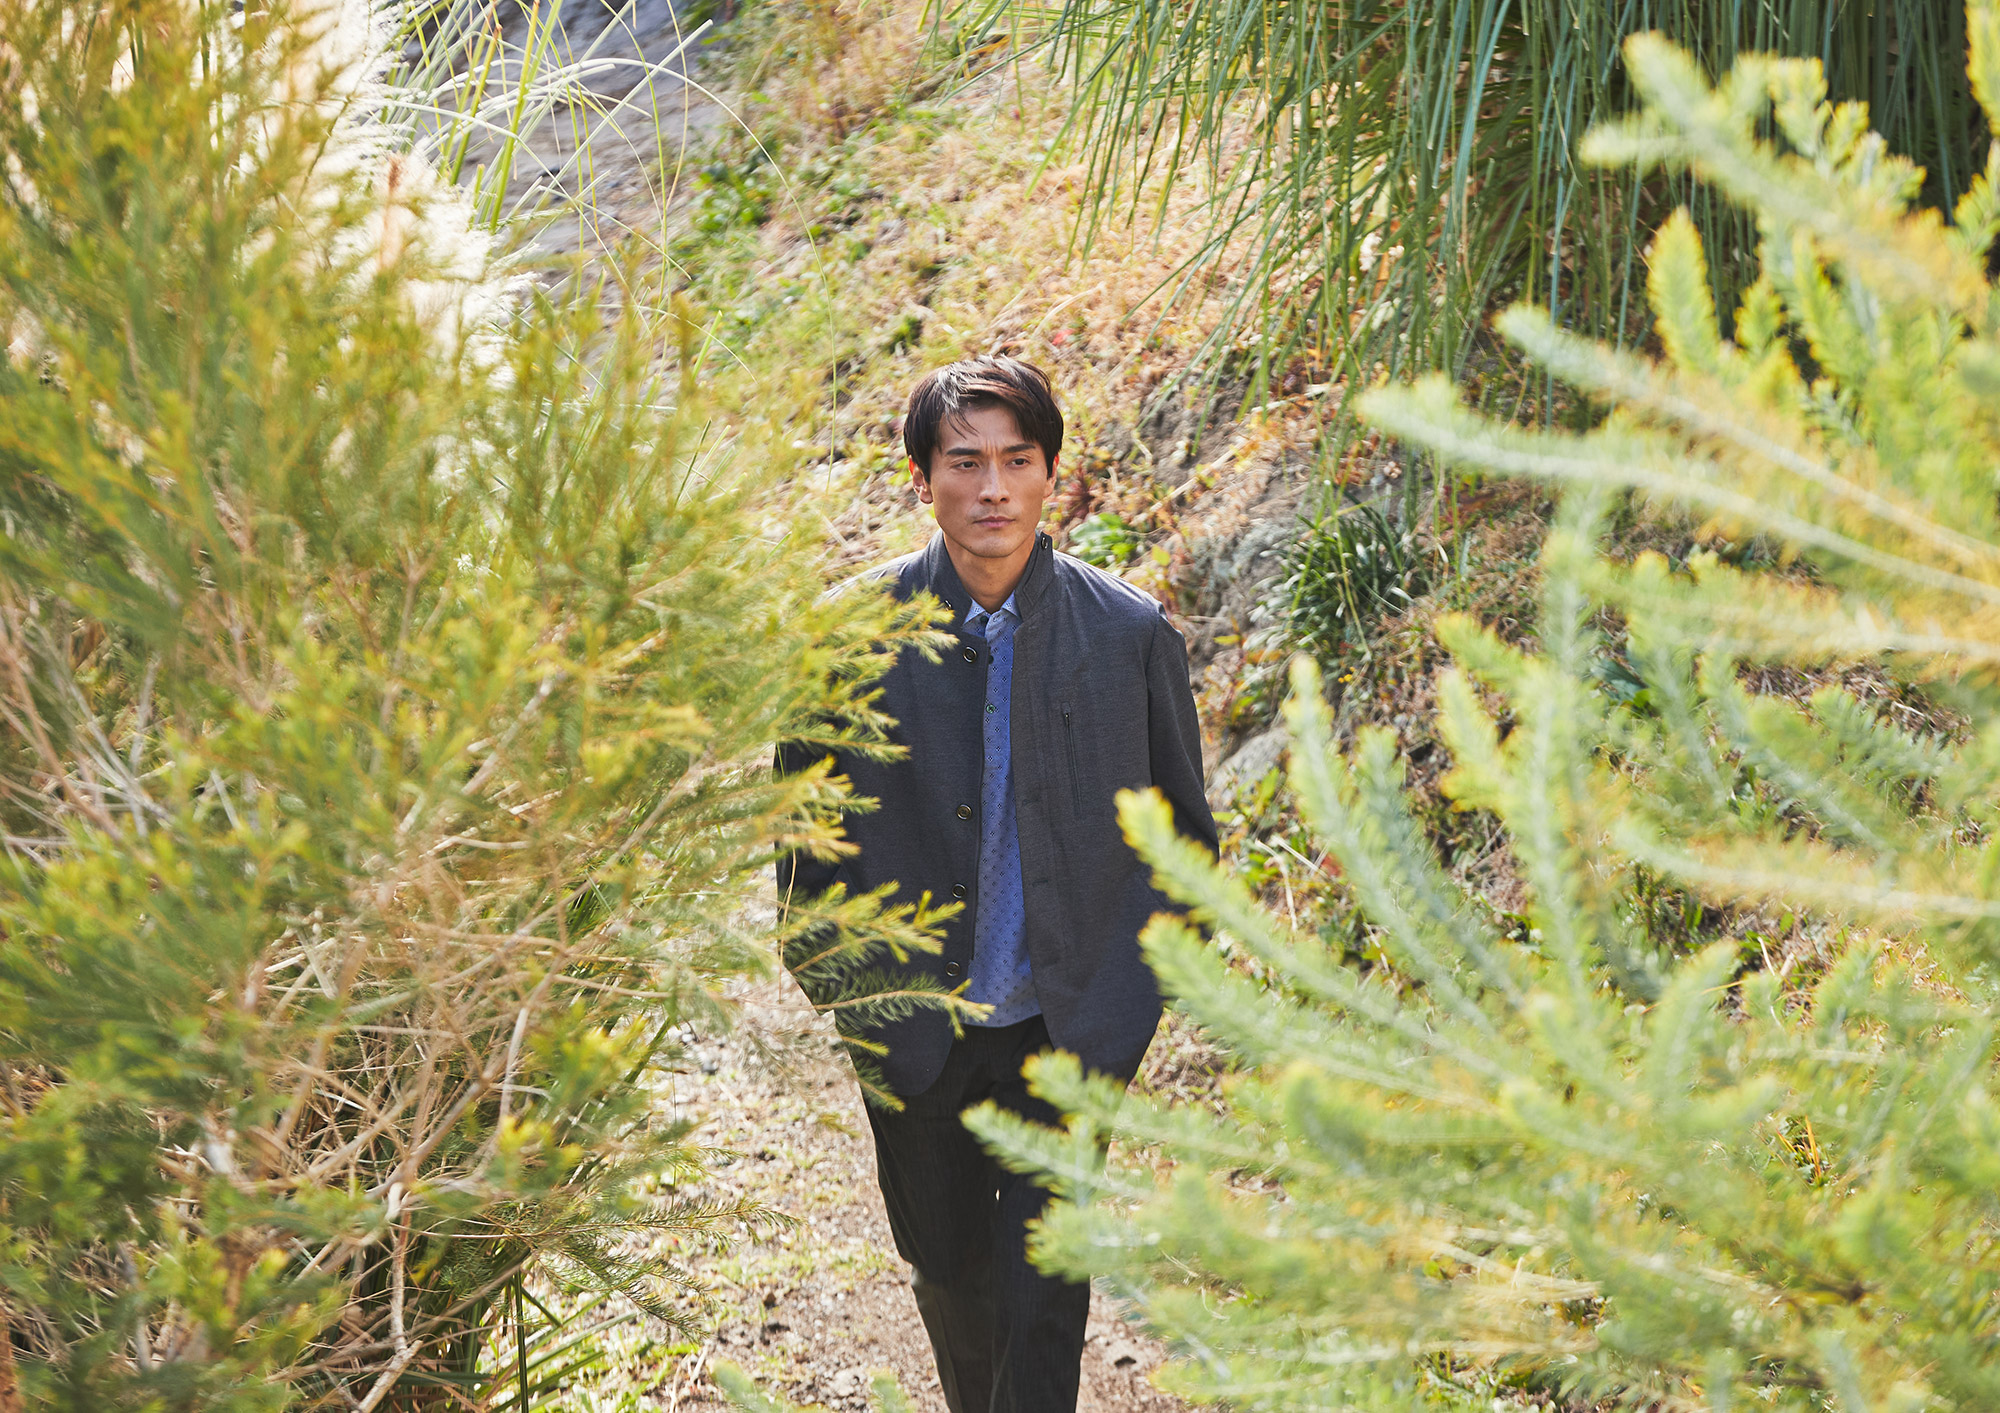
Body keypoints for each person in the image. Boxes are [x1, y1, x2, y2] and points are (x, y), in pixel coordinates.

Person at [777, 356, 1217, 1413]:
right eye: (964, 462)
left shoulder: (1128, 635)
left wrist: (1126, 1001)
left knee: (1044, 1289)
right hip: (913, 1028)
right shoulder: (847, 638)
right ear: (920, 478)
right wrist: (857, 996)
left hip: (1066, 1030)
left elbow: (1183, 847)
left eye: (1018, 461)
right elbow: (801, 844)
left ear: (1052, 474)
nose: (993, 489)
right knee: (949, 1273)